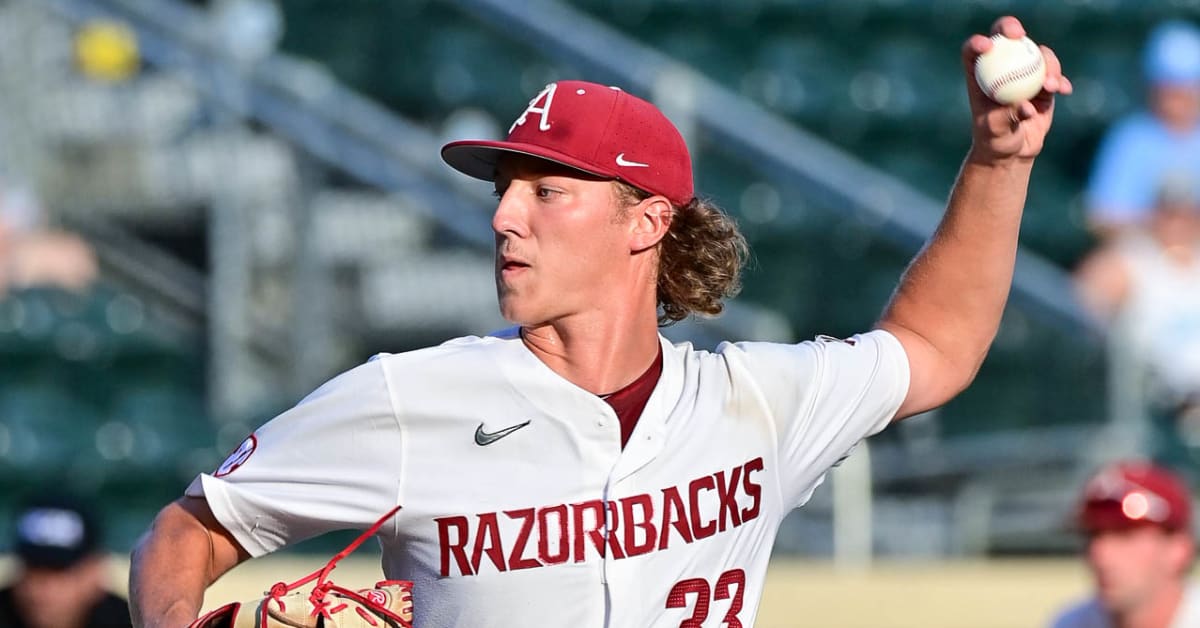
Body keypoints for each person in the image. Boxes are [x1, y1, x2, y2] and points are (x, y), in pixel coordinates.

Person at [128, 16, 1072, 628]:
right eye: (505, 192)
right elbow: (185, 531)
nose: (504, 216)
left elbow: (936, 349)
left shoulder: (755, 402)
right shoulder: (409, 397)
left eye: (546, 191)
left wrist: (999, 162)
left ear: (647, 220)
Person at [1074, 173, 1200, 470]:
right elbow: (1081, 300)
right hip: (1161, 398)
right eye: (1169, 213)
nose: (1176, 223)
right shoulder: (1133, 260)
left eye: (1184, 213)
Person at [1051, 461, 1200, 628]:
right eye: (1093, 534)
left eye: (1124, 535)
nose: (1100, 553)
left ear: (1178, 548)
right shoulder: (1072, 622)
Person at [1086, 20, 1200, 236]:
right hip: (1146, 254)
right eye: (1169, 87)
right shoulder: (1131, 138)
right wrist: (1161, 225)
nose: (1177, 97)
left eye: (1185, 88)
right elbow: (1102, 219)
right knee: (1103, 268)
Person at [0, 493, 133, 628]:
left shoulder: (136, 621)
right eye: (33, 570)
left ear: (93, 572)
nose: (41, 590)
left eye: (59, 571)